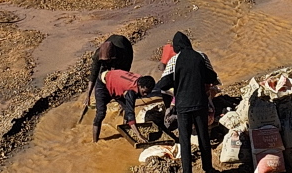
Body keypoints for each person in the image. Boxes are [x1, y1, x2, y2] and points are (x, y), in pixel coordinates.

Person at [155, 32, 219, 173]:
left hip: (183, 106)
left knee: (184, 140)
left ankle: (187, 171)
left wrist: (177, 81)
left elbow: (163, 84)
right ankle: (208, 168)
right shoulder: (201, 56)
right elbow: (212, 76)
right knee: (204, 137)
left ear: (177, 47)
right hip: (200, 103)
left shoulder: (174, 60)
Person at [91, 68, 156, 143]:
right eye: (144, 92)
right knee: (101, 113)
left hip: (114, 82)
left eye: (148, 93)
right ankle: (95, 142)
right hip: (103, 84)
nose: (145, 95)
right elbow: (130, 113)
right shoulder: (132, 91)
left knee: (126, 107)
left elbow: (129, 109)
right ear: (140, 86)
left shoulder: (142, 81)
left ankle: (124, 131)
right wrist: (139, 135)